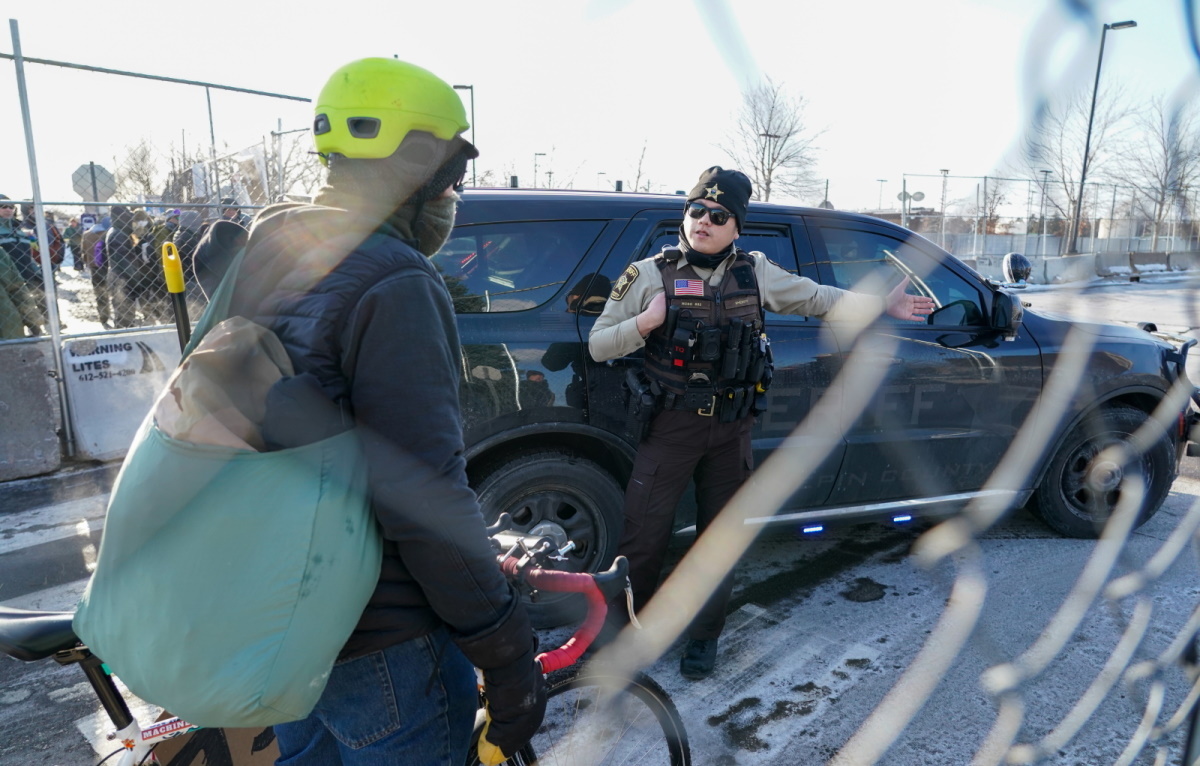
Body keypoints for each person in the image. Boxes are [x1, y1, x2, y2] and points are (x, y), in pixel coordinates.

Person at [228, 57, 544, 765]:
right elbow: (421, 496)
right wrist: (505, 648)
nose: (455, 195)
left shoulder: (270, 255)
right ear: (417, 168)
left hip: (289, 629)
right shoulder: (397, 281)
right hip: (385, 642)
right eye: (452, 177)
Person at [587, 166, 935, 679]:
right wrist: (645, 322)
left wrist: (880, 304)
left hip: (731, 431)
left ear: (736, 225)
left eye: (717, 214)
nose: (703, 220)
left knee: (720, 538)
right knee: (642, 539)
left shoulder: (756, 272)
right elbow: (598, 345)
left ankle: (703, 638)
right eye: (695, 210)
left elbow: (820, 298)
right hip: (671, 428)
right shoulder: (647, 275)